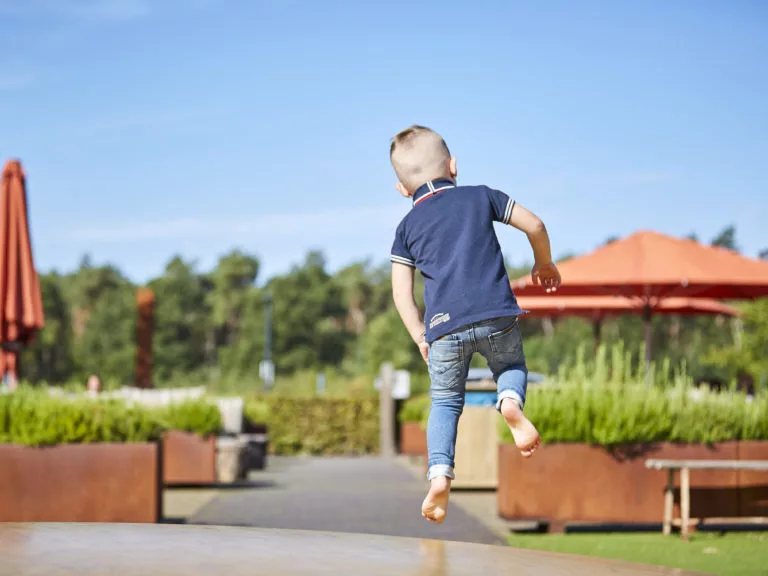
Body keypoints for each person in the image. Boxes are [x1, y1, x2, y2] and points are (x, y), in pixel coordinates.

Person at [388, 125, 561, 524]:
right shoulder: (481, 195)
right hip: (497, 313)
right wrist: (544, 262)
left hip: (444, 328)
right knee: (511, 367)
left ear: (401, 189)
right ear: (453, 166)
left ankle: (439, 474)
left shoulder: (406, 229)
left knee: (446, 403)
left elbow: (402, 293)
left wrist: (420, 336)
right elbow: (534, 224)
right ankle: (511, 404)